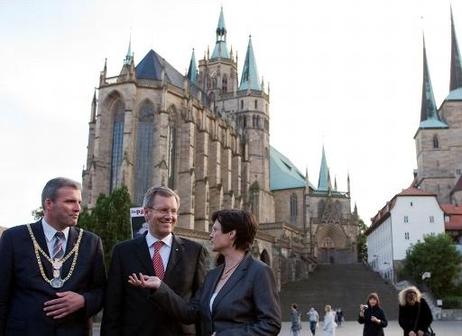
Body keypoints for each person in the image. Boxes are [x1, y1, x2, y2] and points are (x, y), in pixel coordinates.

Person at [128, 208, 281, 335]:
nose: (210, 235)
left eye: (215, 230)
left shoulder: (259, 272)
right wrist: (160, 287)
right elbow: (190, 313)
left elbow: (270, 324)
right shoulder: (213, 275)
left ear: (231, 234)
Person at [0, 177, 106, 336]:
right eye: (70, 201)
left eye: (79, 201)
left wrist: (84, 300)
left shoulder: (91, 242)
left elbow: (102, 290)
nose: (78, 208)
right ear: (49, 204)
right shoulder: (14, 238)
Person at [101, 186, 208, 336]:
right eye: (163, 210)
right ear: (146, 213)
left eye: (173, 211)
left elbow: (200, 307)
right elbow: (112, 308)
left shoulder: (194, 252)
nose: (169, 216)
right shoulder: (123, 252)